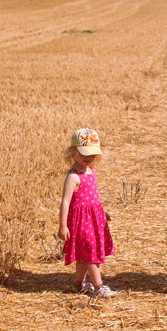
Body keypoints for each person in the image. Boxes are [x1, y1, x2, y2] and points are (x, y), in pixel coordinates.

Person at [58, 128, 117, 298]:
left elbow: (94, 198)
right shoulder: (73, 177)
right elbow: (66, 202)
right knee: (92, 253)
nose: (88, 157)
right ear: (73, 151)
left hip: (94, 219)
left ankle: (78, 284)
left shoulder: (92, 172)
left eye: (92, 154)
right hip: (81, 222)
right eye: (84, 153)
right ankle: (98, 287)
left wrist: (102, 212)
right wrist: (63, 226)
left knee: (84, 254)